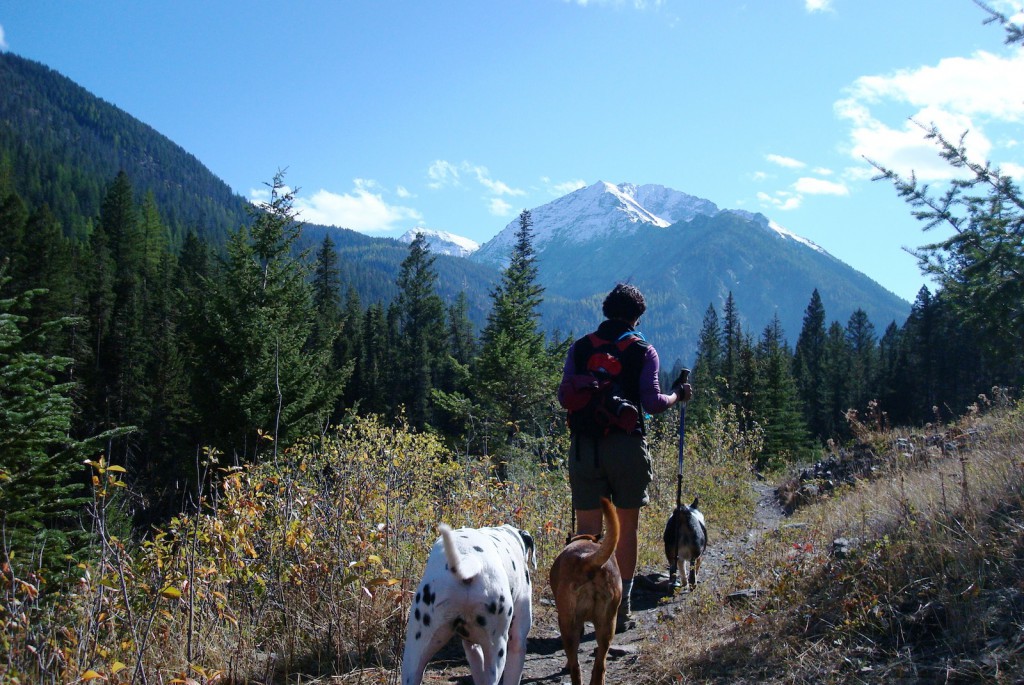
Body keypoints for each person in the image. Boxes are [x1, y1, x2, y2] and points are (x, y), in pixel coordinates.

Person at [557, 283, 692, 633]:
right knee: (625, 528)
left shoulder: (582, 347)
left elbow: (565, 394)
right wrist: (678, 395)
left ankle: (582, 605)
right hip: (627, 447)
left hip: (585, 448)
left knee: (587, 532)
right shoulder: (643, 351)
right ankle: (622, 605)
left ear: (606, 311)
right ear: (636, 316)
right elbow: (652, 403)